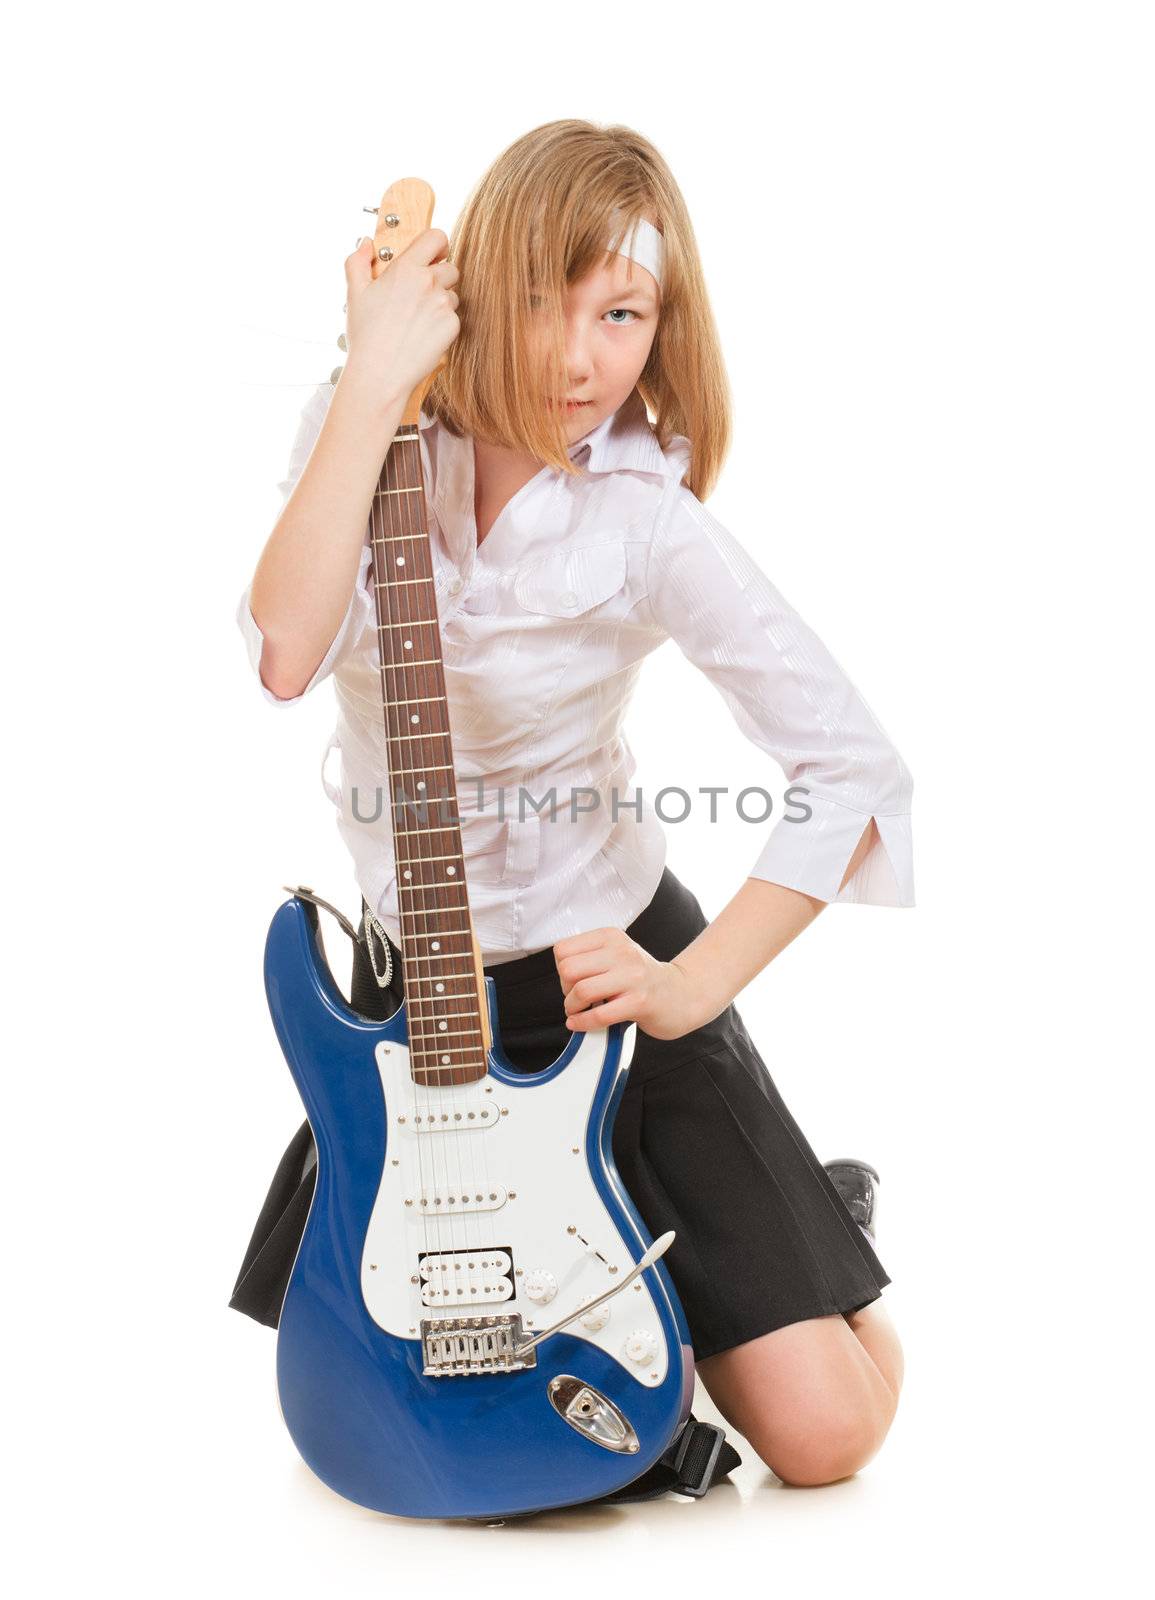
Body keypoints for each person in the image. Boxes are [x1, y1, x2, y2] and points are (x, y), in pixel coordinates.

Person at [231, 119, 912, 1490]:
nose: (579, 356)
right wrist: (372, 387)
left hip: (612, 984)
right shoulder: (360, 423)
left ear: (664, 329)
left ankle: (783, 1219)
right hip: (428, 1015)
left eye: (623, 313)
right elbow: (285, 652)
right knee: (428, 1403)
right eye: (547, 298)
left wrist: (690, 984)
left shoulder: (643, 521)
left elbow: (856, 770)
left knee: (828, 1439)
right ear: (476, 289)